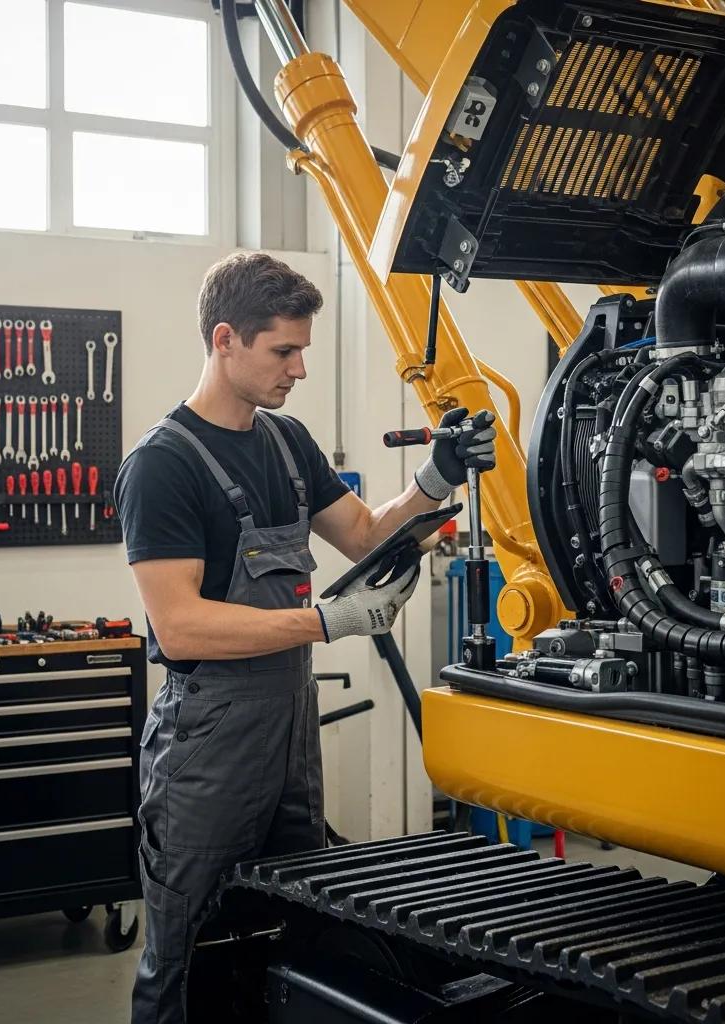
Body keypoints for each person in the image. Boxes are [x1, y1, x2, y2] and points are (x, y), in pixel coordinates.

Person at [114, 251, 496, 1023]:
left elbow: (363, 535)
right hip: (207, 743)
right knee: (186, 955)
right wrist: (325, 621)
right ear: (225, 339)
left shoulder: (287, 444)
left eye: (303, 350)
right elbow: (180, 622)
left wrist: (437, 474)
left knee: (295, 929)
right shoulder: (162, 466)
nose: (300, 369)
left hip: (290, 731)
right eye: (283, 350)